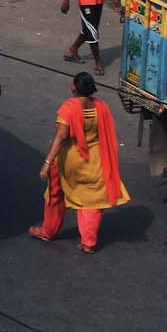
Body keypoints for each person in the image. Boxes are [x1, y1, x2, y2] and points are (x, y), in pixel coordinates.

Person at [31, 72, 129, 254]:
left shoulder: (68, 108)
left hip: (71, 162)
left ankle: (47, 231)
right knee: (92, 201)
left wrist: (47, 163)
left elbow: (60, 137)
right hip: (95, 162)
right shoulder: (101, 107)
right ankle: (88, 243)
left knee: (55, 195)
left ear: (74, 87)